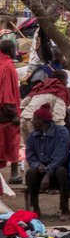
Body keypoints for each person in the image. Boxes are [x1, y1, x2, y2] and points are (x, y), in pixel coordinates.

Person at [25, 103, 70, 217]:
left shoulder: (61, 132)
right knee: (31, 173)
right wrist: (37, 165)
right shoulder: (33, 136)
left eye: (34, 119)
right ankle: (35, 207)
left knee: (62, 171)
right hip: (41, 170)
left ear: (41, 121)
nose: (32, 122)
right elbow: (30, 155)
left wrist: (48, 173)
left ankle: (65, 208)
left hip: (56, 170)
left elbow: (61, 156)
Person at [0, 41, 20, 185]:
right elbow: (7, 92)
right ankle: (14, 174)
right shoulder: (8, 66)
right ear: (11, 50)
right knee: (12, 141)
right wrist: (13, 113)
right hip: (6, 111)